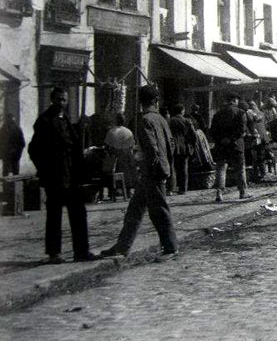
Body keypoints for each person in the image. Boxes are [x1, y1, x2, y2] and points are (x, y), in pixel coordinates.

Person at [100, 85, 178, 261]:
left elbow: (151, 147)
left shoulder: (144, 120)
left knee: (159, 210)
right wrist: (168, 167)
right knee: (134, 210)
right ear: (156, 101)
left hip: (152, 171)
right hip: (158, 169)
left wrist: (149, 166)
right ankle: (122, 246)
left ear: (141, 102)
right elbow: (170, 145)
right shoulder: (162, 120)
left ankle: (171, 248)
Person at [28, 88, 97, 264]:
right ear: (52, 100)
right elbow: (34, 149)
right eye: (59, 99)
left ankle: (81, 251)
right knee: (54, 214)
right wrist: (45, 170)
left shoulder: (65, 118)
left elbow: (72, 146)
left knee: (78, 212)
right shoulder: (44, 121)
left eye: (65, 100)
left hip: (71, 175)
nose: (62, 103)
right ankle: (54, 253)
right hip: (55, 176)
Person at [209, 93, 251, 202]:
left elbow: (212, 131)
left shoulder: (217, 114)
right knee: (240, 168)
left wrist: (221, 139)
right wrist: (231, 139)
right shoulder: (240, 113)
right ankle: (242, 192)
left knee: (221, 168)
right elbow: (242, 130)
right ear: (235, 100)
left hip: (221, 146)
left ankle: (219, 193)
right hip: (236, 145)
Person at [168, 104, 196, 195]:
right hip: (184, 146)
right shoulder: (187, 121)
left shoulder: (170, 121)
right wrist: (193, 145)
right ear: (182, 111)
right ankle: (183, 189)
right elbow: (194, 135)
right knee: (183, 168)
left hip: (172, 146)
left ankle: (171, 189)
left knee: (172, 167)